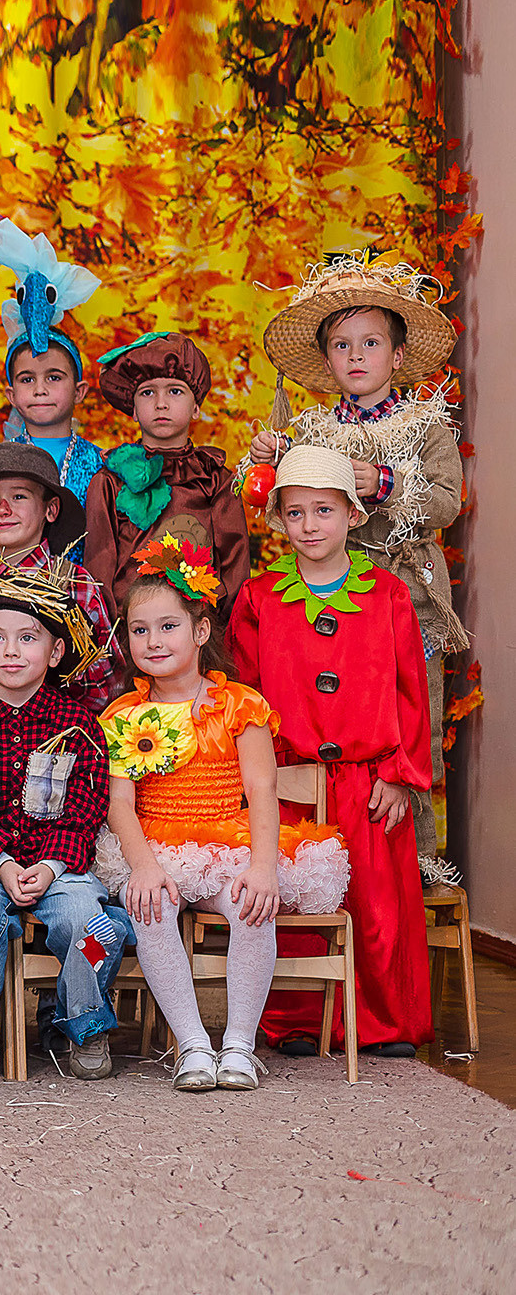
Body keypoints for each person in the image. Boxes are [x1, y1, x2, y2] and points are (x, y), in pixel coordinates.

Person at [97, 539, 348, 1092]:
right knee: (151, 905)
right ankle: (192, 1044)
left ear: (201, 631)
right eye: (140, 630)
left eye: (168, 626)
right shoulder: (124, 713)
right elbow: (120, 805)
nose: (153, 641)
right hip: (152, 843)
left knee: (248, 904)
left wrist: (263, 867)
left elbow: (262, 791)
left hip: (225, 841)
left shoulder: (240, 705)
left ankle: (237, 1043)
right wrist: (141, 865)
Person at [253, 252, 466, 871]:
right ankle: (334, 857)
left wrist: (388, 481)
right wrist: (270, 459)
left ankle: (417, 862)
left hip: (409, 597)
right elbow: (278, 497)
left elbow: (447, 502)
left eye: (370, 343)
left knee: (410, 720)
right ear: (326, 362)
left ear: (397, 356)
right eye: (342, 345)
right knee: (341, 719)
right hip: (331, 600)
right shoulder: (313, 429)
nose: (356, 356)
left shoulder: (425, 423)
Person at [228, 444, 434, 1059]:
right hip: (289, 782)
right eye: (295, 513)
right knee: (294, 903)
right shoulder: (259, 600)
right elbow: (245, 697)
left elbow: (410, 691)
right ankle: (295, 1018)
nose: (310, 525)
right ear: (278, 519)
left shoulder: (388, 595)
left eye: (324, 510)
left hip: (369, 780)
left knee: (377, 910)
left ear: (351, 513)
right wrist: (256, 781)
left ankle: (384, 1023)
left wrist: (401, 775)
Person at [0, 561, 123, 1085]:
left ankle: (80, 1022)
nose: (12, 651)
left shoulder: (79, 722)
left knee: (92, 926)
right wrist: (1, 864)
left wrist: (47, 865)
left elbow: (88, 808)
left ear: (56, 651)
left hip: (59, 865)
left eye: (27, 638)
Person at [0, 442, 119, 714]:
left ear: (51, 509)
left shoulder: (77, 585)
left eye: (19, 497)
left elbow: (107, 683)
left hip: (62, 738)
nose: (2, 510)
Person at [84, 332, 251, 619]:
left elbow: (235, 569)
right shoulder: (109, 482)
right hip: (129, 635)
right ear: (133, 409)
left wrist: (215, 634)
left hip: (199, 635)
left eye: (175, 391)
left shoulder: (216, 480)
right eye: (148, 392)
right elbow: (99, 568)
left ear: (196, 406)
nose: (161, 403)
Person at [0, 220, 105, 540]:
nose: (39, 389)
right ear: (10, 395)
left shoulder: (99, 465)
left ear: (80, 391)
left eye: (53, 377)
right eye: (26, 380)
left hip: (81, 587)